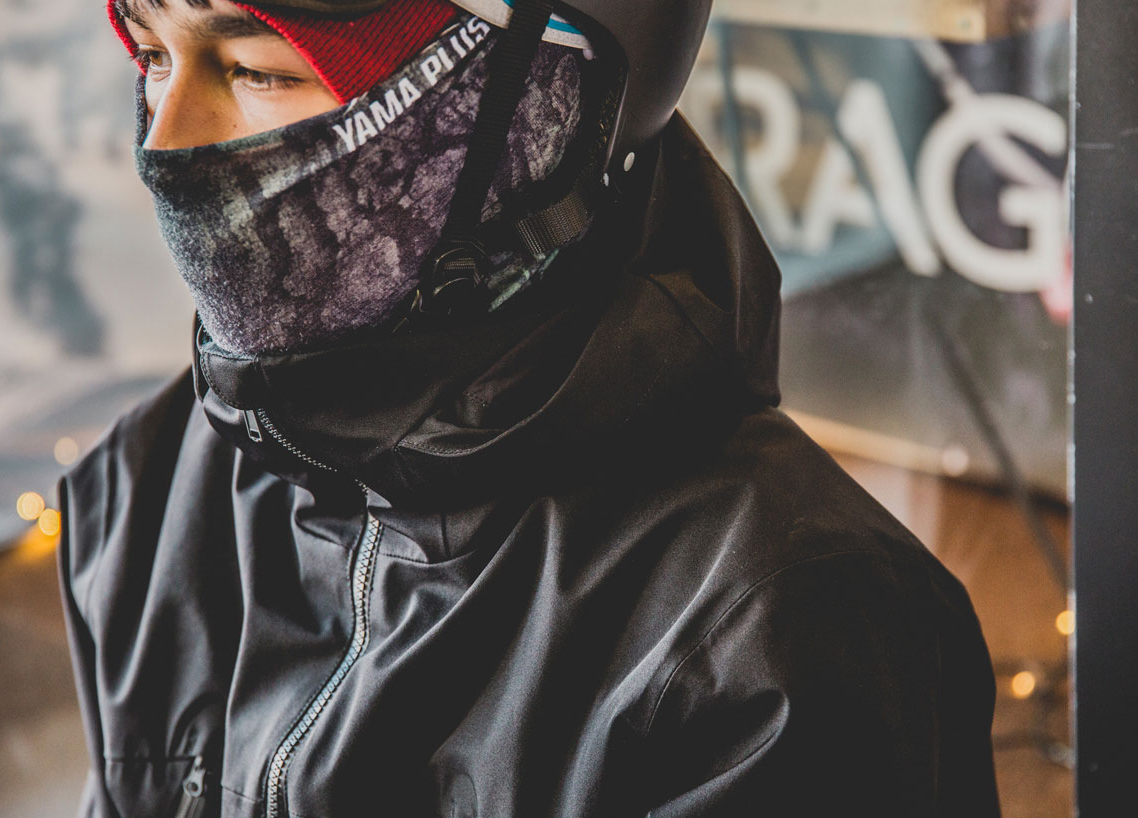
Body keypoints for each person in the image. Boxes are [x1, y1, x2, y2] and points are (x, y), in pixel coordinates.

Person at [58, 1, 1002, 816]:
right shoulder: (150, 487)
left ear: (534, 102)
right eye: (153, 56)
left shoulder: (778, 635)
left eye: (258, 68)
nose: (165, 142)